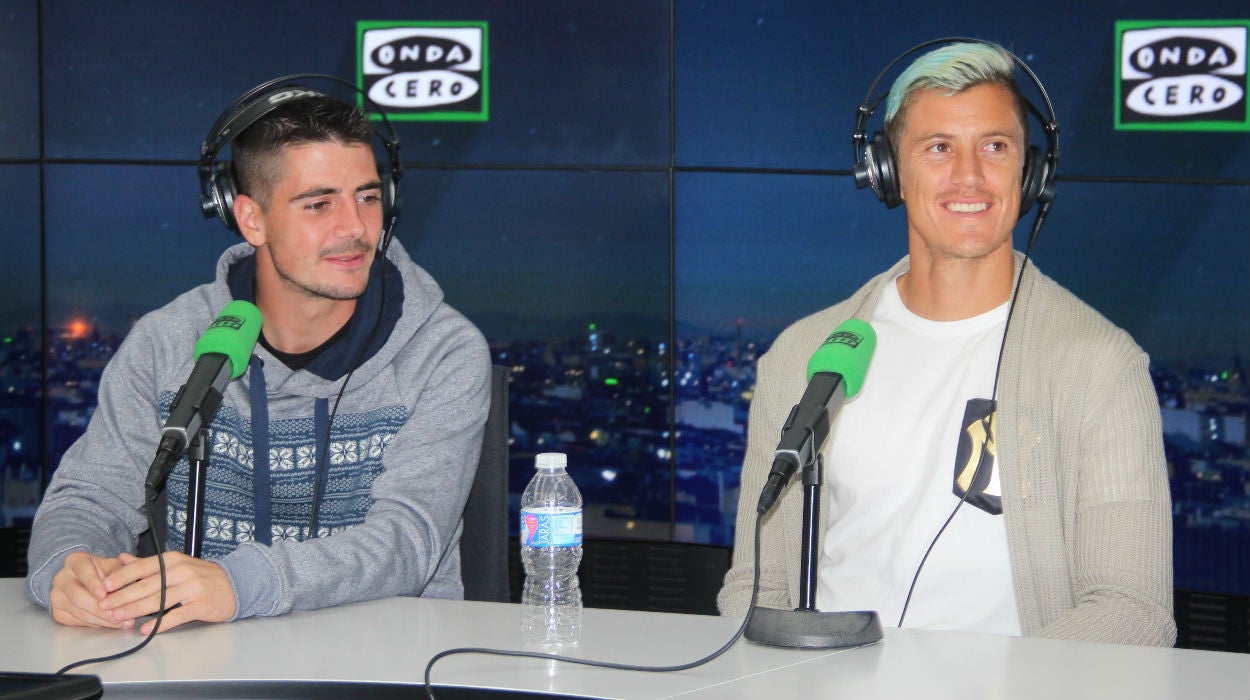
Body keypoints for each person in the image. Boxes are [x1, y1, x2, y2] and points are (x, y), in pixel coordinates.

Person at [717, 41, 1176, 645]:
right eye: (938, 148)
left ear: (1029, 172)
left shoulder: (1099, 367)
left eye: (995, 146)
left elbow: (1132, 611)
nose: (970, 175)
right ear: (887, 172)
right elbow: (755, 591)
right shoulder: (805, 357)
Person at [25, 81, 491, 635]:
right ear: (250, 218)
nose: (356, 228)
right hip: (196, 664)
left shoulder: (442, 351)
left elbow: (408, 540)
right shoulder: (167, 342)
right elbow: (91, 495)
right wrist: (68, 566)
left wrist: (239, 584)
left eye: (368, 196)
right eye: (319, 204)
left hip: (385, 663)